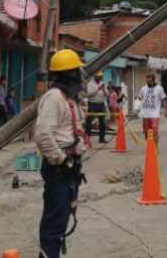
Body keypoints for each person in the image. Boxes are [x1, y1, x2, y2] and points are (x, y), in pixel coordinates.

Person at [35, 49, 87, 258]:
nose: (80, 76)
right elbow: (43, 135)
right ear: (69, 74)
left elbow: (75, 129)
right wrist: (62, 160)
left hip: (70, 167)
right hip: (59, 169)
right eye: (77, 71)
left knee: (63, 216)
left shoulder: (69, 98)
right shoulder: (53, 98)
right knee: (54, 221)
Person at [138, 74, 167, 145]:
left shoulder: (159, 88)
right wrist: (138, 102)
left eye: (150, 81)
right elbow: (139, 98)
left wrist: (166, 110)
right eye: (147, 81)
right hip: (145, 114)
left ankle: (156, 148)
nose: (148, 82)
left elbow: (164, 99)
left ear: (153, 80)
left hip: (155, 115)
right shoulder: (143, 88)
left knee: (155, 132)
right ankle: (149, 147)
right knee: (146, 133)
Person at [85, 72, 107, 144]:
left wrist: (103, 90)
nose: (100, 78)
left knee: (102, 122)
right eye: (99, 77)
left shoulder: (102, 83)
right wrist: (98, 89)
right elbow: (89, 95)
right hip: (92, 104)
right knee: (89, 121)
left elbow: (107, 95)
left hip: (101, 104)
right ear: (95, 77)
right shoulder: (90, 84)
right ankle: (87, 138)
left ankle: (102, 138)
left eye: (101, 76)